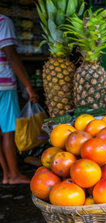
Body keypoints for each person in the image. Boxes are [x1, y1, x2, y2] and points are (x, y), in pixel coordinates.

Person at [0, 14, 38, 184]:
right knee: (8, 131)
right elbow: (11, 55)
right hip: (3, 84)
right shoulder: (3, 21)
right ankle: (13, 174)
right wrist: (28, 86)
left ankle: (6, 175)